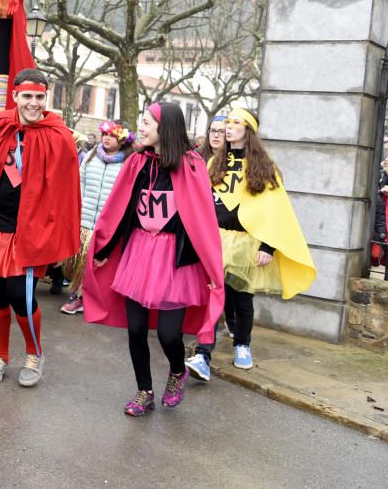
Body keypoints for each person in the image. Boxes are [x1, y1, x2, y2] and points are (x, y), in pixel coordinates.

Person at [81, 102, 224, 416]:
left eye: (146, 123)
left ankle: (176, 371)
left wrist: (211, 266)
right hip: (140, 252)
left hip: (176, 258)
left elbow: (202, 220)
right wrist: (104, 251)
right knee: (135, 330)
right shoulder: (137, 162)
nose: (140, 128)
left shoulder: (192, 164)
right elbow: (120, 210)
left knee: (169, 334)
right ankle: (144, 391)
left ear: (165, 129)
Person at [185, 108, 316, 380]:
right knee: (214, 295)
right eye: (227, 123)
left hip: (246, 243)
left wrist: (268, 247)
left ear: (248, 130)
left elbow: (277, 211)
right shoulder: (214, 164)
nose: (229, 128)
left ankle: (242, 343)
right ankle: (203, 354)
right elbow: (200, 202)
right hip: (216, 239)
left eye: (236, 123)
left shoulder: (264, 167)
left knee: (242, 298)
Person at [0, 68, 80, 387]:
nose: (33, 103)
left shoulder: (59, 136)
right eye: (27, 96)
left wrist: (58, 238)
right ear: (15, 95)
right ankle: (0, 355)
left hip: (30, 230)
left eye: (39, 97)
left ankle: (34, 352)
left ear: (46, 98)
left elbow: (66, 193)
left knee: (21, 294)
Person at [60, 119, 135, 315]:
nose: (107, 138)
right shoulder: (91, 156)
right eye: (105, 134)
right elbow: (80, 184)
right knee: (80, 264)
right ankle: (78, 295)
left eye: (112, 135)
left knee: (99, 266)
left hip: (107, 227)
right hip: (84, 220)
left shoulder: (129, 163)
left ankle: (89, 299)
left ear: (123, 139)